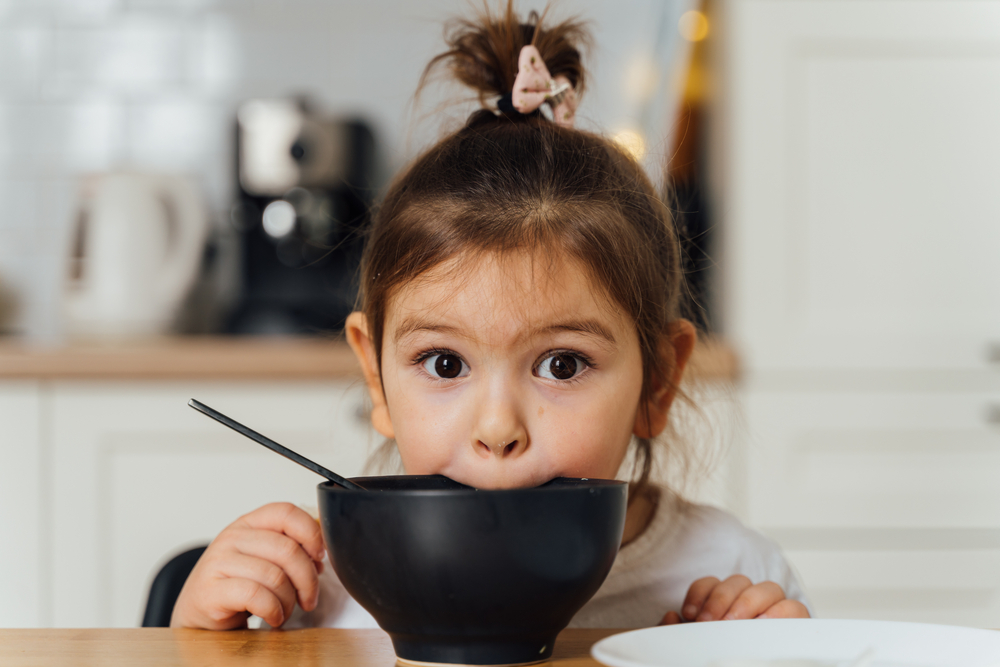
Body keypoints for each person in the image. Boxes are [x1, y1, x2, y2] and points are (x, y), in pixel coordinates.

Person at [171, 2, 811, 631]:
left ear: (658, 381)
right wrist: (196, 637)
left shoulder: (734, 575)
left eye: (562, 365)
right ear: (376, 376)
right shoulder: (321, 587)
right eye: (444, 363)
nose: (499, 429)